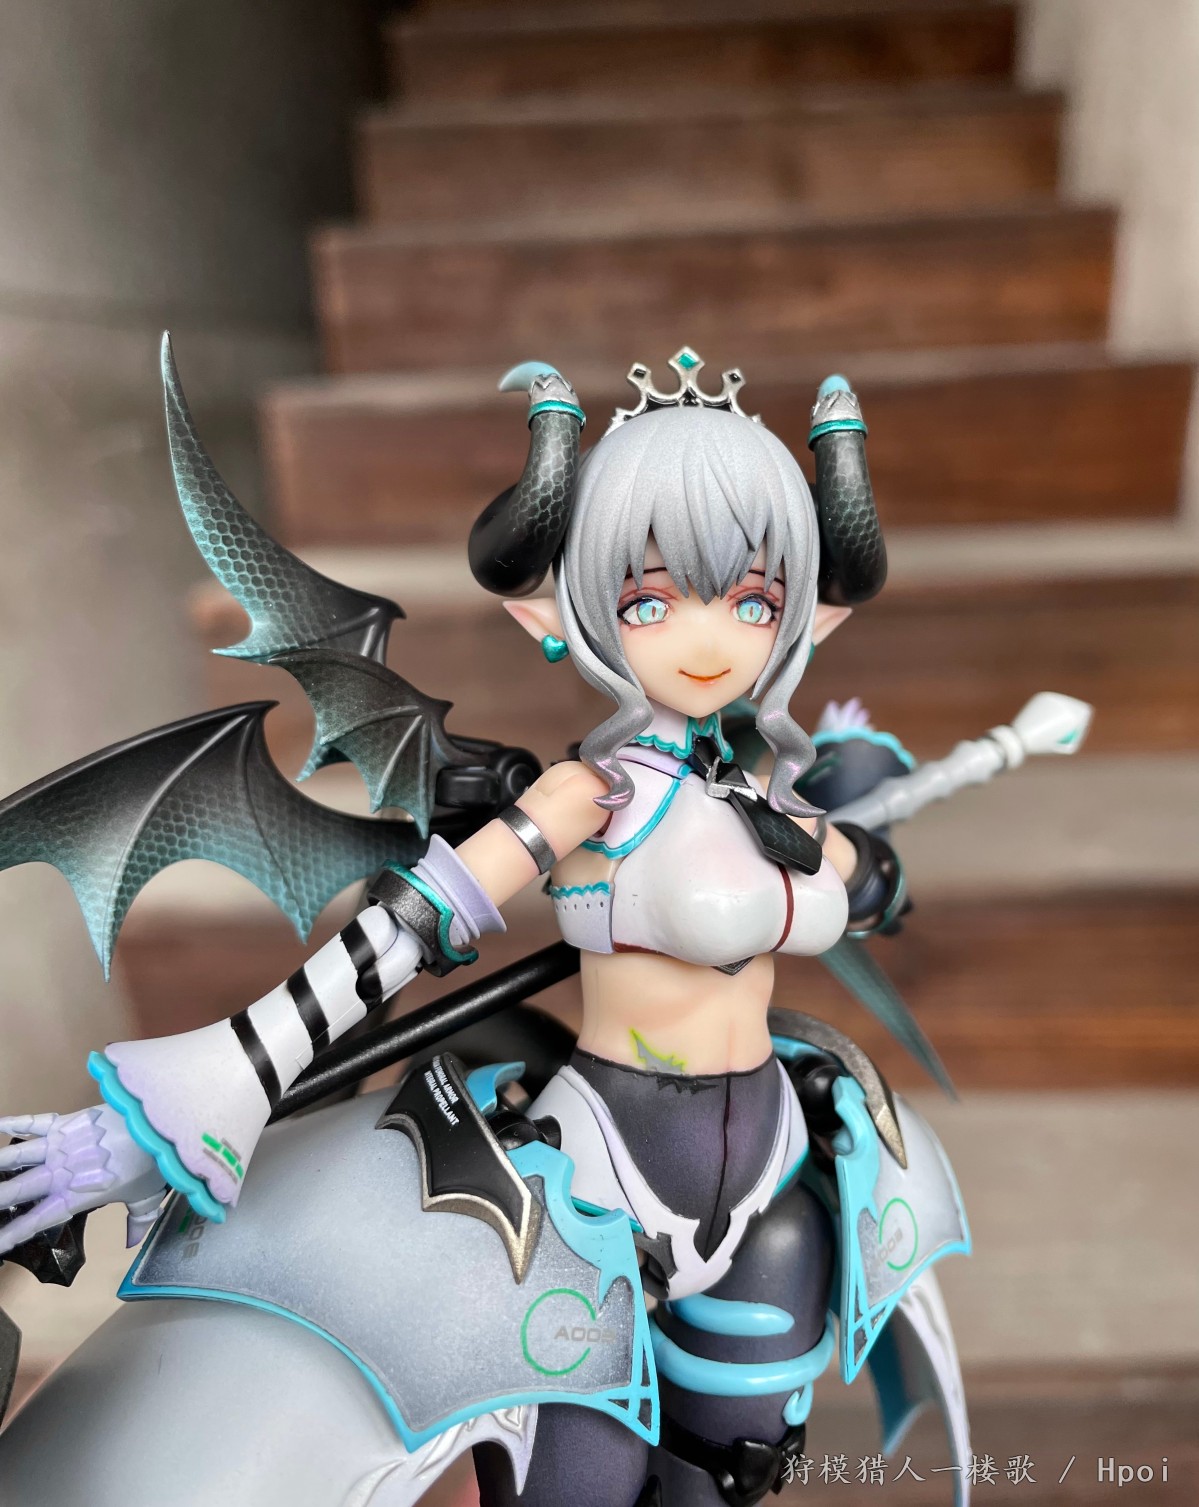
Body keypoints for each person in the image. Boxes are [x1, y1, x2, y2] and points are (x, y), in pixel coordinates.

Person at [0, 350, 946, 1507]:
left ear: (804, 615)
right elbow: (412, 927)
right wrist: (201, 1094)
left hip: (770, 1168)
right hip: (598, 1184)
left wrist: (868, 848)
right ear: (559, 611)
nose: (707, 639)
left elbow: (863, 875)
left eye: (751, 602)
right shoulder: (586, 797)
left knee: (733, 1465)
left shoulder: (769, 803)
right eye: (649, 601)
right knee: (585, 1480)